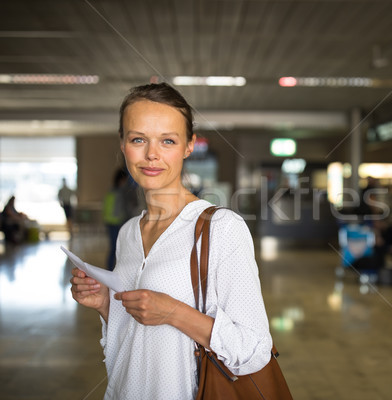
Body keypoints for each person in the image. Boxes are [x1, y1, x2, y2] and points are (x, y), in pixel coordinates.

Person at [70, 83, 272, 399]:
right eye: (138, 139)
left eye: (168, 140)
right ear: (123, 145)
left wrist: (174, 313)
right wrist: (106, 305)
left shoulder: (221, 228)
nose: (152, 154)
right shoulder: (128, 233)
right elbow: (131, 344)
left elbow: (254, 350)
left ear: (188, 146)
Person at [103, 169, 129, 271]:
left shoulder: (111, 191)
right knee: (115, 248)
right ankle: (110, 270)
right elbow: (120, 210)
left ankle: (110, 269)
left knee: (113, 247)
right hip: (117, 223)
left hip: (109, 222)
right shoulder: (120, 193)